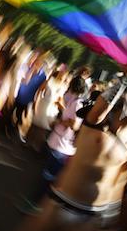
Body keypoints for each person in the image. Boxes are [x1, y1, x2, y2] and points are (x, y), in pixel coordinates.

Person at [7, 65, 127, 231]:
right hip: (61, 202)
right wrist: (124, 78)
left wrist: (110, 218)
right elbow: (101, 108)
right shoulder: (97, 122)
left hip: (91, 215)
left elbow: (119, 180)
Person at [21, 76, 87, 213]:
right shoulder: (74, 101)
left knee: (48, 178)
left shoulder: (78, 103)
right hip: (58, 143)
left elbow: (74, 124)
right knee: (46, 176)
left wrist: (58, 123)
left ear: (73, 86)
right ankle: (36, 203)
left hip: (62, 147)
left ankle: (36, 205)